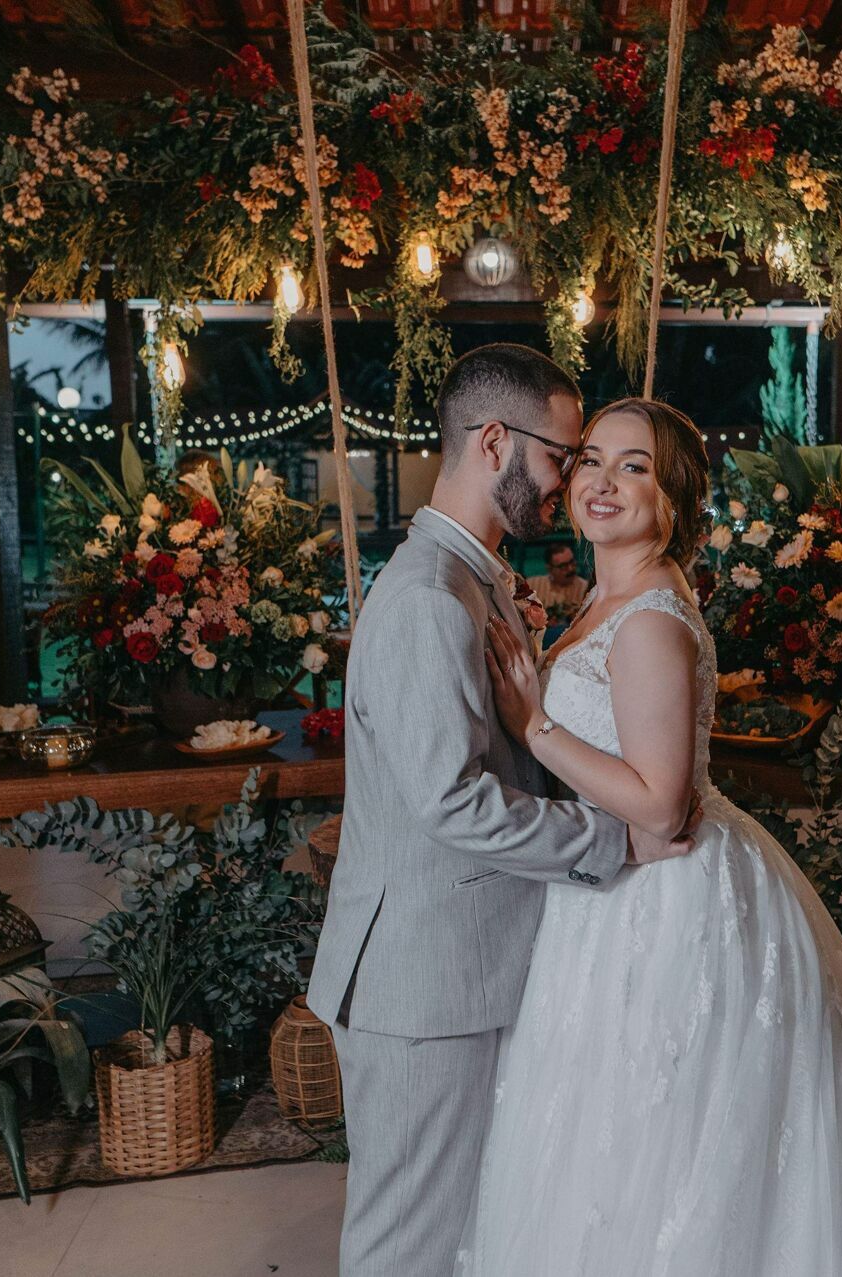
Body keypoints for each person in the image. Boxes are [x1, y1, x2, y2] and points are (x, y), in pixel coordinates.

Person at [465, 398, 842, 1276]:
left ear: (673, 500)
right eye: (592, 459)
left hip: (661, 900)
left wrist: (535, 727)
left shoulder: (653, 622)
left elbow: (662, 805)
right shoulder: (611, 595)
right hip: (608, 890)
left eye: (635, 468)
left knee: (665, 1139)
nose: (602, 482)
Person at [306, 345, 699, 1277]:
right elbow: (453, 800)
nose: (571, 480)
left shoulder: (470, 579)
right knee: (406, 1245)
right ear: (494, 442)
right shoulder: (426, 600)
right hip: (425, 981)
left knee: (467, 1231)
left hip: (468, 962)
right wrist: (617, 839)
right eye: (565, 454)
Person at [526, 542, 589, 624]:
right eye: (563, 566)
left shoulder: (585, 588)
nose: (570, 569)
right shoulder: (533, 585)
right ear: (550, 569)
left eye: (572, 562)